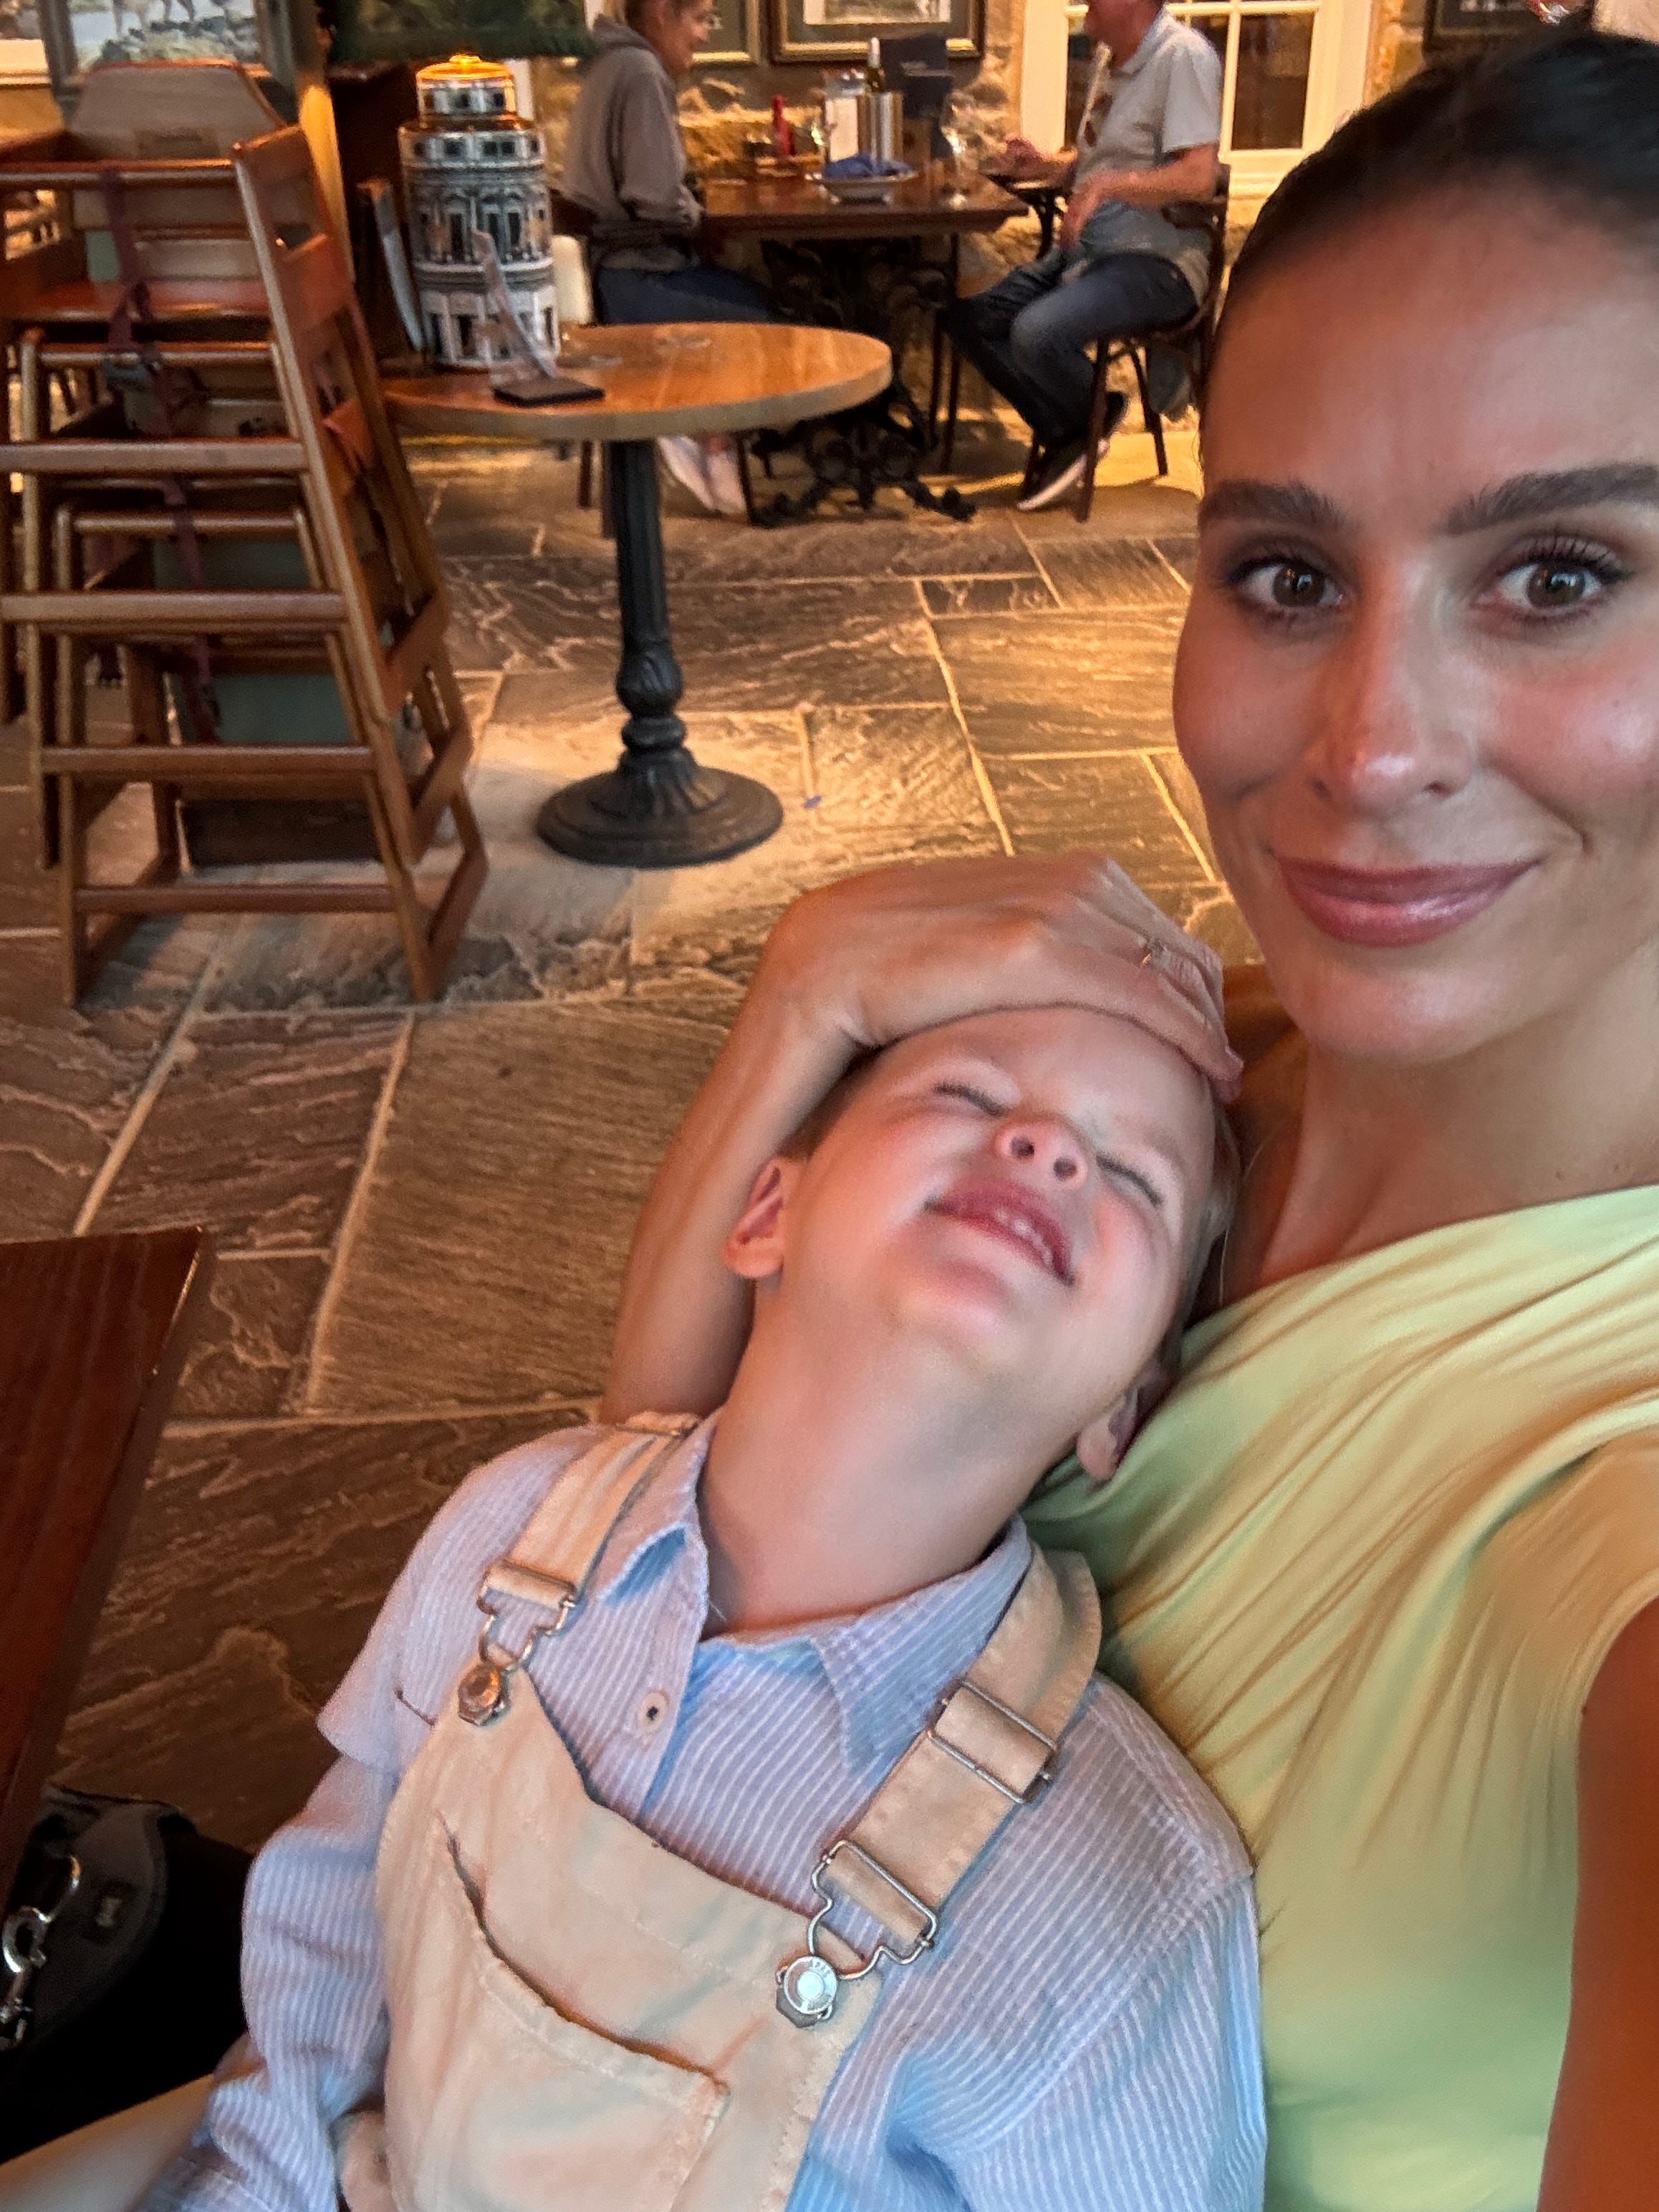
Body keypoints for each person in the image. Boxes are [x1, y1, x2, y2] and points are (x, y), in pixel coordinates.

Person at [604, 35, 1659, 2212]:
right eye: (1284, 575)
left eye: (1557, 574)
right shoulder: (1151, 1084)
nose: (1369, 748)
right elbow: (653, 1552)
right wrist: (799, 1000)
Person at [139, 996, 1262, 2212]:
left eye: (1135, 1177)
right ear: (767, 1213)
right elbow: (332, 1937)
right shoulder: (507, 1528)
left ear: (1124, 1408)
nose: (1049, 1148)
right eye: (971, 1095)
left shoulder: (1114, 1902)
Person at [945, 0, 1221, 514]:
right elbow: (1096, 162)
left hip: (1157, 262)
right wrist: (1044, 166)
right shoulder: (1108, 59)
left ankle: (1084, 422)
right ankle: (1075, 426)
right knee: (970, 321)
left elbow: (1198, 176)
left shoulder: (1183, 57)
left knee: (1035, 333)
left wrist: (1105, 187)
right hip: (1093, 252)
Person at [562, 0, 775, 516]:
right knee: (774, 326)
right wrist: (695, 212)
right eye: (700, 18)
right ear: (661, 12)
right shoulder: (641, 72)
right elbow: (656, 198)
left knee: (756, 297)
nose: (704, 33)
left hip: (612, 275)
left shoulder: (609, 62)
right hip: (637, 282)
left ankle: (697, 429)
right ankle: (700, 433)